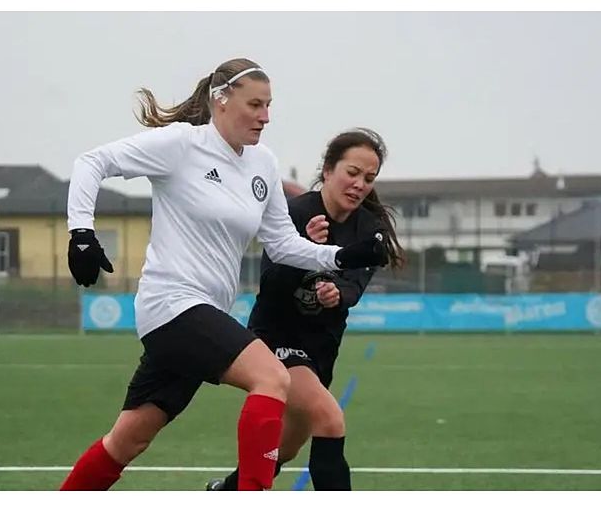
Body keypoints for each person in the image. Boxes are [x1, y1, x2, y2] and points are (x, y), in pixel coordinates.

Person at [60, 58, 388, 491]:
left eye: (269, 106)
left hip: (204, 314)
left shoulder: (263, 164)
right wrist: (81, 231)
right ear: (221, 100)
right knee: (271, 376)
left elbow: (284, 245)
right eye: (255, 104)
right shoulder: (181, 144)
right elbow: (91, 161)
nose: (265, 116)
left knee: (129, 439)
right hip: (171, 305)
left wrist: (343, 257)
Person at [206, 128, 405, 491]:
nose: (360, 184)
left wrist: (338, 293)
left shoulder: (369, 230)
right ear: (328, 170)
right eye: (352, 172)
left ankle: (226, 493)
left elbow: (354, 287)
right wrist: (305, 247)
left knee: (284, 447)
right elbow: (273, 282)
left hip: (321, 347)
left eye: (369, 178)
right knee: (330, 419)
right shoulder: (293, 213)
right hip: (275, 339)